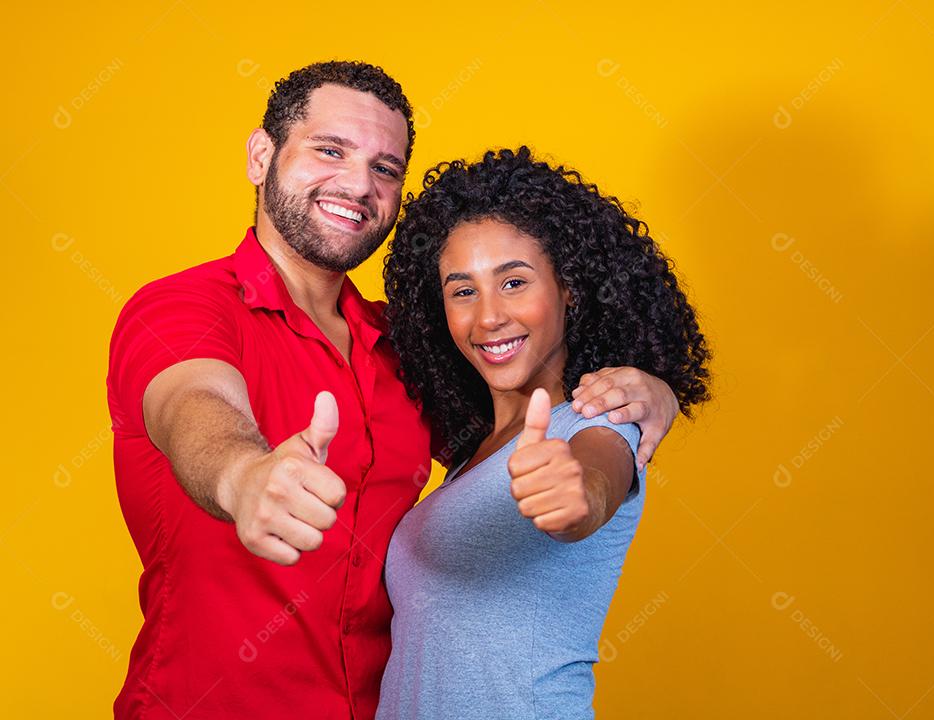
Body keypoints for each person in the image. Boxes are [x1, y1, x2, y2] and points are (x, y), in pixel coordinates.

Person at [106, 61, 681, 720]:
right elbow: (193, 405)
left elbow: (544, 443)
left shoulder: (406, 351)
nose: (358, 184)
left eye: (385, 167)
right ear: (261, 156)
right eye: (330, 150)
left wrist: (650, 390)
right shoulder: (181, 308)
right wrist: (241, 476)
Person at [376, 146, 711, 719]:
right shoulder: (468, 452)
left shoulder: (599, 419)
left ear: (570, 289)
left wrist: (578, 493)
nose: (488, 317)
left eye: (513, 283)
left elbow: (593, 485)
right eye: (463, 291)